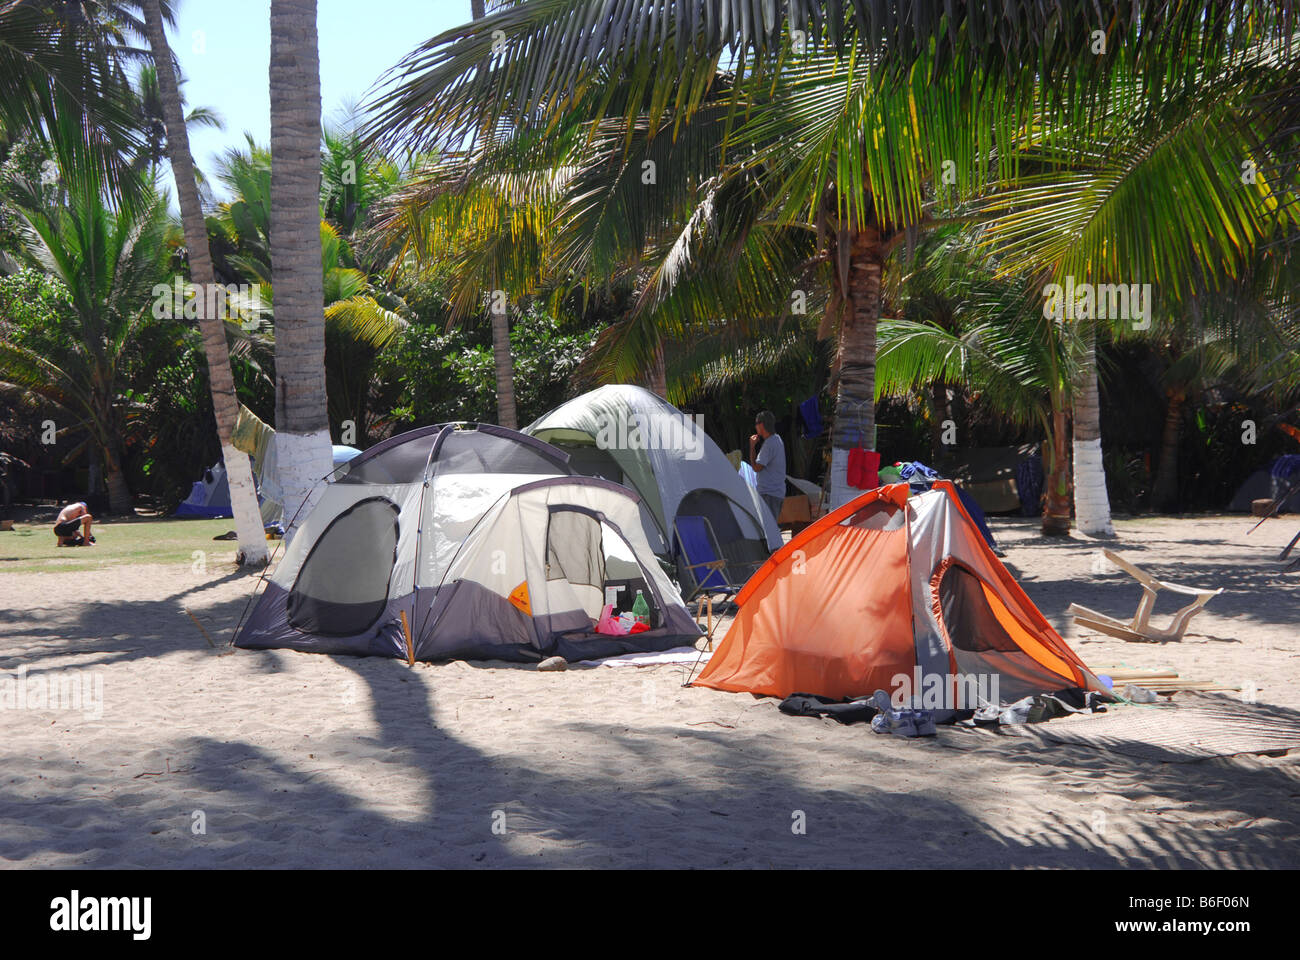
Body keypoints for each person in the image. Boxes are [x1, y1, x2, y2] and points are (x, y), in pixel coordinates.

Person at [750, 410, 786, 525]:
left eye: (756, 423)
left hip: (768, 493)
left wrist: (752, 446)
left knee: (767, 529)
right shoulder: (777, 439)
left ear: (761, 425)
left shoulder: (769, 444)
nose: (755, 426)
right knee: (771, 527)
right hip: (776, 492)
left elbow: (756, 467)